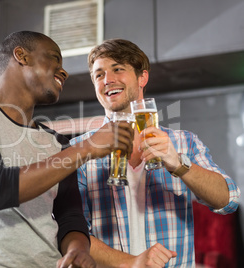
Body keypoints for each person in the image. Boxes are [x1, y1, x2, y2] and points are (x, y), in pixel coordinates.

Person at [0, 31, 135, 268]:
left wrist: (78, 250)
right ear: (21, 56)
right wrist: (88, 148)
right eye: (54, 58)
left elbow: (69, 217)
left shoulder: (58, 143)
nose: (64, 71)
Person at [70, 38, 241, 267]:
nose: (108, 80)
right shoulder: (79, 150)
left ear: (143, 77)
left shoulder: (184, 141)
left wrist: (179, 165)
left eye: (117, 69)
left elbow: (229, 201)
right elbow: (73, 232)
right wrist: (133, 262)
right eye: (98, 75)